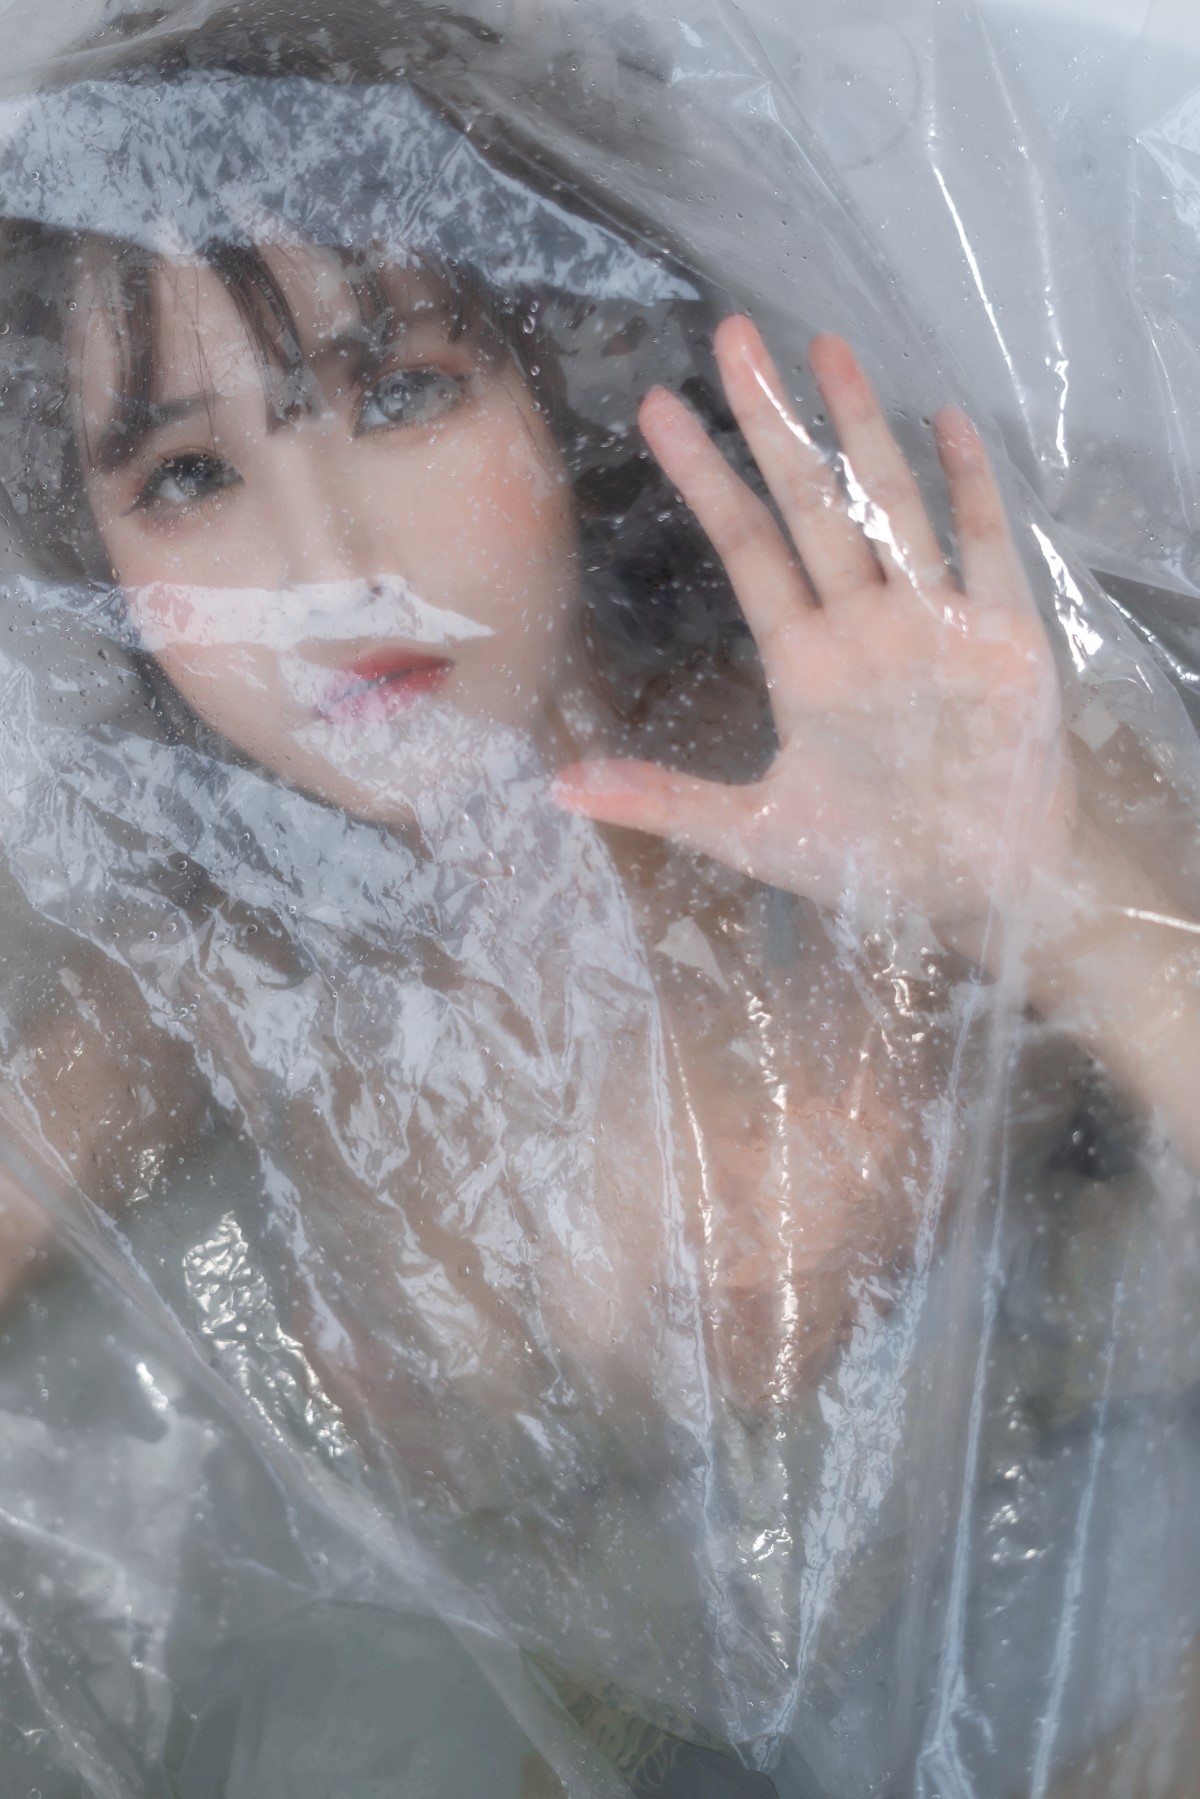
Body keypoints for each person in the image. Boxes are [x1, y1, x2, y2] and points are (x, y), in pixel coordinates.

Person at [0, 4, 1198, 1794]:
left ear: (564, 375)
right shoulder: (206, 967)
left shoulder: (897, 744)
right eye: (188, 476)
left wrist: (1058, 893)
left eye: (401, 391)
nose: (325, 570)